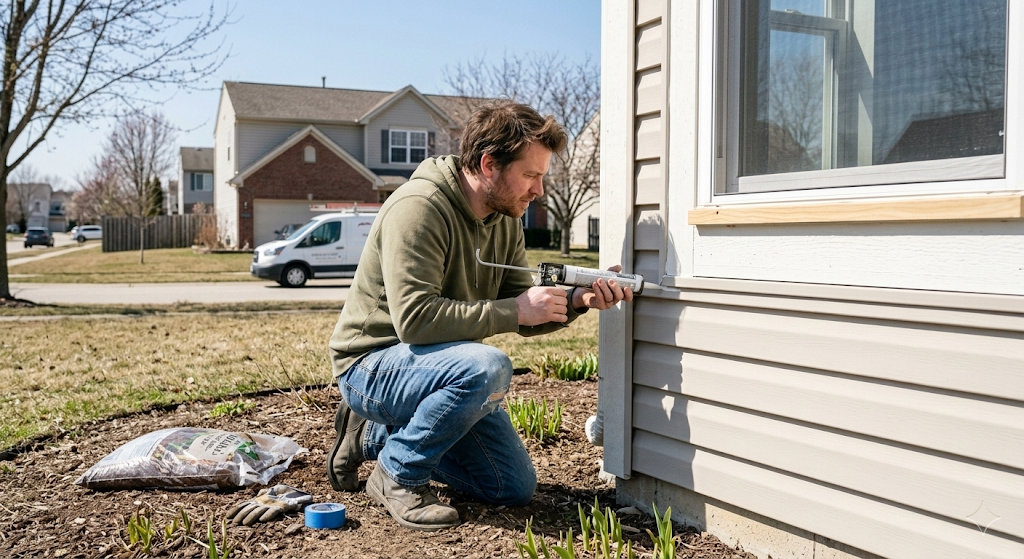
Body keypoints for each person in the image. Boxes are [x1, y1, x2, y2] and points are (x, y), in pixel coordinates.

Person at [327, 100, 633, 531]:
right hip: (374, 365)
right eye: (530, 175)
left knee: (510, 486)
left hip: (443, 368)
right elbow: (414, 321)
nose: (538, 191)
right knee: (488, 366)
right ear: (489, 164)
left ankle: (371, 436)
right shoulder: (418, 208)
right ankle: (397, 472)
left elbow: (520, 307)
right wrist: (515, 310)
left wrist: (578, 301)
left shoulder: (505, 219)